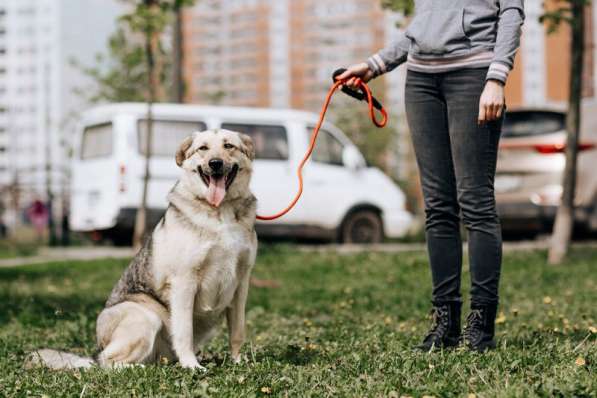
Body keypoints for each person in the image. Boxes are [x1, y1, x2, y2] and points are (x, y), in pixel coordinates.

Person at [338, 1, 524, 352]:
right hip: (421, 81)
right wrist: (374, 66)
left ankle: (480, 326)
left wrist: (496, 77)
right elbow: (421, 30)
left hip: (473, 75)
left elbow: (511, 13)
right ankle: (445, 324)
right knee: (438, 207)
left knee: (476, 203)